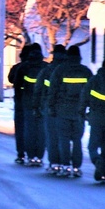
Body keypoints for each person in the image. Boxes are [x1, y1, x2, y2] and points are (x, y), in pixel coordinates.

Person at [46, 45, 92, 178]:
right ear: (79, 57)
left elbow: (52, 90)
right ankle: (76, 167)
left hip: (62, 110)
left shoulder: (60, 70)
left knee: (63, 138)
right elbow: (91, 91)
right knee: (77, 139)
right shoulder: (85, 71)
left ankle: (65, 165)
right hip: (79, 111)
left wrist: (51, 107)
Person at [32, 44, 66, 173]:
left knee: (52, 136)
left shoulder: (47, 70)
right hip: (66, 107)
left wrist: (36, 106)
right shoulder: (68, 70)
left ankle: (54, 163)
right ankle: (65, 162)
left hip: (48, 107)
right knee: (64, 137)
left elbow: (38, 89)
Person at [17, 44, 46, 166]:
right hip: (42, 103)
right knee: (41, 131)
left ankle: (30, 156)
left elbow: (17, 84)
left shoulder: (23, 67)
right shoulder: (46, 68)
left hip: (27, 102)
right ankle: (39, 156)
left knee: (29, 130)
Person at [8, 44, 33, 164]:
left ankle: (21, 153)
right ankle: (32, 152)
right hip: (35, 103)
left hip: (20, 102)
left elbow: (11, 79)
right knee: (34, 128)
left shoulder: (17, 68)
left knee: (20, 128)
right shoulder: (40, 68)